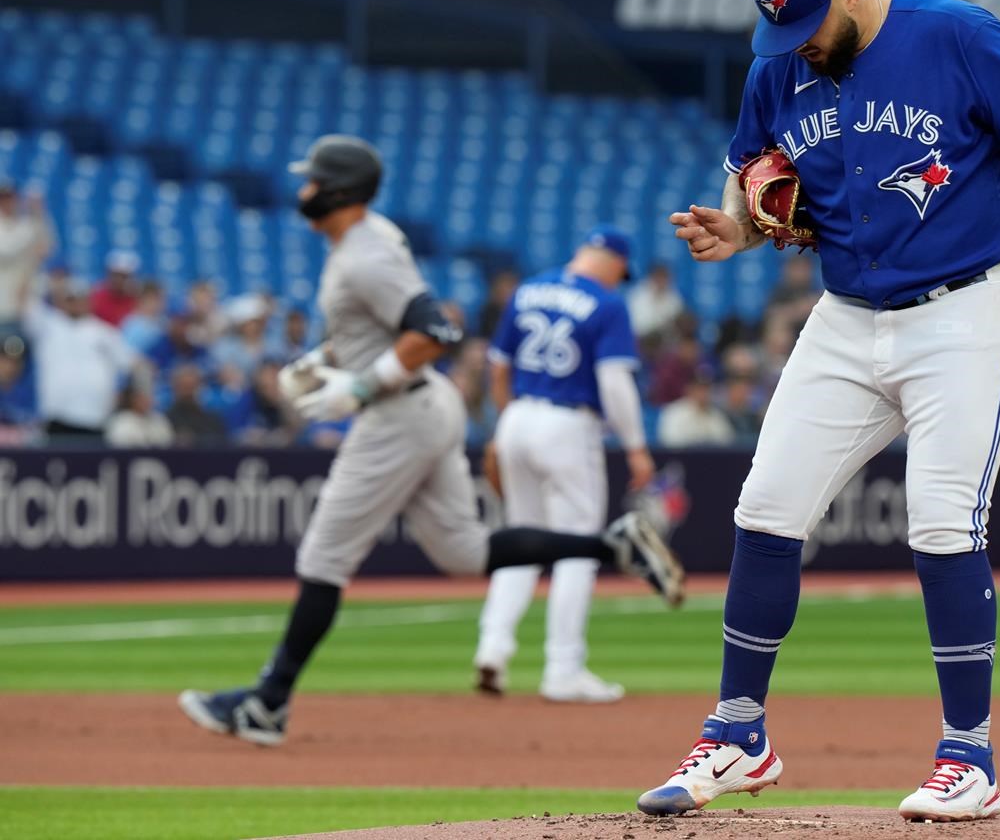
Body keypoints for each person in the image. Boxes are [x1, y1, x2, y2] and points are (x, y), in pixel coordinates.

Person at [637, 0, 1000, 823]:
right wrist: (737, 230)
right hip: (847, 313)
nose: (796, 51)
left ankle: (968, 756)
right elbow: (765, 195)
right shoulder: (778, 70)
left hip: (968, 306)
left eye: (806, 28)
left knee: (943, 518)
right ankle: (739, 731)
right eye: (779, 38)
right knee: (766, 506)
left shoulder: (957, 35)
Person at [178, 135, 683, 747]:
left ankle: (268, 701)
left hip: (398, 416)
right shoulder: (371, 239)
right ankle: (612, 546)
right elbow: (387, 324)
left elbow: (436, 329)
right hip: (424, 407)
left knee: (322, 558)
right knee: (465, 553)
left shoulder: (368, 255)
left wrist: (363, 386)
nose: (303, 190)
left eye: (313, 181)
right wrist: (336, 357)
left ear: (338, 191)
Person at [473, 228, 655, 703]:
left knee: (521, 538)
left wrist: (503, 424)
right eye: (621, 270)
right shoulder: (608, 304)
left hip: (517, 415)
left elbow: (497, 367)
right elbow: (614, 382)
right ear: (612, 261)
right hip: (568, 424)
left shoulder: (527, 288)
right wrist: (636, 445)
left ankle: (492, 649)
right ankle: (563, 668)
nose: (621, 279)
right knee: (577, 546)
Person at [23, 277, 138, 442]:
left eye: (80, 299)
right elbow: (24, 301)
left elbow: (131, 364)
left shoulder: (105, 332)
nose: (76, 304)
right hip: (57, 418)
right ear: (62, 301)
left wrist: (123, 397)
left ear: (89, 301)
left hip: (96, 418)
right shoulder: (48, 325)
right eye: (71, 299)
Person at [0, 182, 53, 335]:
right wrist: (32, 230)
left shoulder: (27, 224)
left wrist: (39, 213)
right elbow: (6, 250)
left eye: (10, 198)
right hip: (4, 302)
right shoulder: (26, 227)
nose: (7, 202)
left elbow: (47, 248)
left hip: (28, 299)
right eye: (3, 198)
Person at [656, 367, 735, 447]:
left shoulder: (716, 415)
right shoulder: (673, 412)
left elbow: (727, 443)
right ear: (689, 389)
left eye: (706, 388)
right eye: (699, 388)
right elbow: (669, 443)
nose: (703, 393)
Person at [89, 249, 141, 327]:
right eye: (116, 275)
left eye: (124, 276)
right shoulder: (96, 298)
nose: (119, 280)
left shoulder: (138, 300)